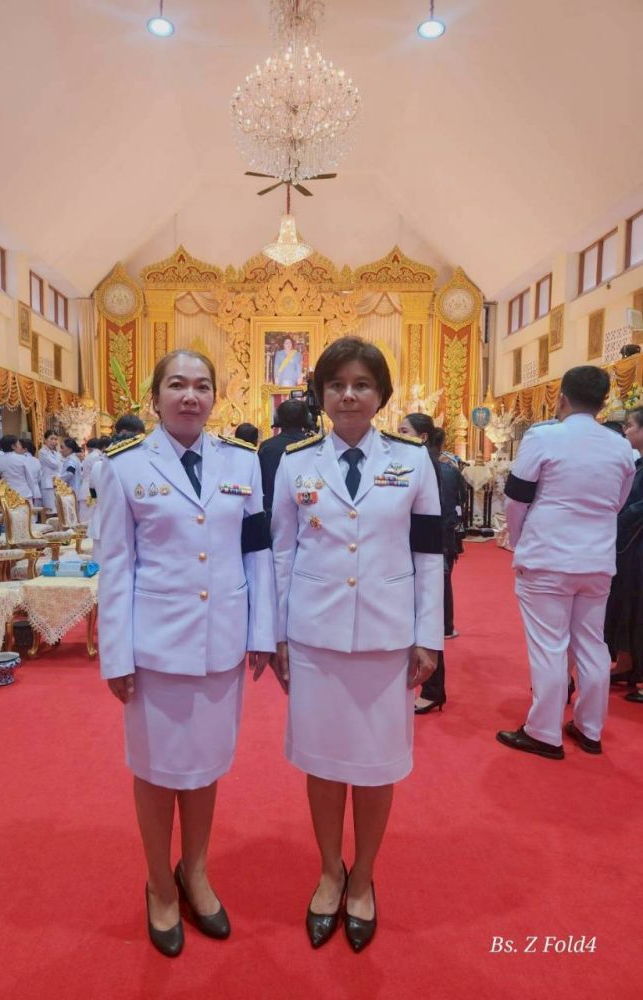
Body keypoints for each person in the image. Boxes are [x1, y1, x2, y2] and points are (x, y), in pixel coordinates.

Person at [97, 349, 276, 958]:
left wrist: (261, 631)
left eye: (202, 386)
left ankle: (194, 871)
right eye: (177, 384)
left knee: (205, 767)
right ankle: (158, 883)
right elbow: (115, 565)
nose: (190, 396)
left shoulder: (242, 462)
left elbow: (257, 551)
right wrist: (116, 654)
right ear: (155, 397)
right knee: (155, 771)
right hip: (155, 647)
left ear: (215, 397)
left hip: (222, 641)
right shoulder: (124, 466)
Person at [270, 336, 443, 952]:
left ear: (381, 395)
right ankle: (329, 871)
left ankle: (363, 875)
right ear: (320, 394)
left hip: (385, 636)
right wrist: (277, 634)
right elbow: (282, 552)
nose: (349, 395)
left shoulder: (413, 461)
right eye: (337, 384)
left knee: (375, 764)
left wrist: (428, 636)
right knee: (322, 762)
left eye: (362, 384)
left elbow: (429, 554)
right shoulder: (295, 462)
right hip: (314, 636)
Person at [499, 366, 636, 759]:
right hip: (597, 560)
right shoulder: (620, 447)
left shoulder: (544, 436)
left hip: (548, 556)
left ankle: (543, 731)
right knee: (592, 644)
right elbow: (618, 501)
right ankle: (590, 729)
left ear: (561, 397)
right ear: (603, 402)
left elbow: (516, 499)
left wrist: (520, 542)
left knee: (549, 645)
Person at [398, 415, 465, 714]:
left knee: (426, 615)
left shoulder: (426, 464)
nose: (397, 436)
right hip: (429, 545)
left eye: (404, 431)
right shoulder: (428, 462)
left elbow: (435, 515)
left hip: (429, 547)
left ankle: (433, 687)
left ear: (422, 437)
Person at [604, 405, 643, 702]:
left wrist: (621, 517)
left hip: (637, 542)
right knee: (627, 603)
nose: (626, 430)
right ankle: (627, 664)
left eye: (630, 425)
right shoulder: (637, 462)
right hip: (630, 545)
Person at [258, 399, 310, 518]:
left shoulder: (267, 447)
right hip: (307, 512)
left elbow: (260, 484)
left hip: (272, 513)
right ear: (307, 419)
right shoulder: (314, 446)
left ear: (277, 419)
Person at [0, 435, 36, 501]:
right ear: (13, 446)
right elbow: (30, 478)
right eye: (18, 444)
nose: (20, 446)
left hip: (8, 495)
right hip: (24, 493)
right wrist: (34, 493)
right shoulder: (22, 458)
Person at [79, 437, 104, 523]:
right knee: (90, 519)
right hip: (91, 490)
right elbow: (97, 475)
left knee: (87, 517)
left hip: (87, 488)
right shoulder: (96, 456)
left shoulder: (90, 456)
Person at [38, 430, 62, 511]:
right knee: (51, 509)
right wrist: (59, 456)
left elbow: (60, 467)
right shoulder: (42, 452)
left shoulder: (55, 453)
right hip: (48, 484)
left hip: (57, 483)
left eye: (55, 439)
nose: (54, 441)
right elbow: (55, 464)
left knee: (59, 509)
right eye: (51, 439)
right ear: (45, 440)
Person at [20, 439, 43, 508]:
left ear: (25, 449)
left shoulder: (19, 460)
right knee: (35, 513)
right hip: (36, 492)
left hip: (23, 493)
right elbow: (40, 478)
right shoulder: (36, 460)